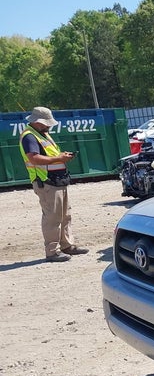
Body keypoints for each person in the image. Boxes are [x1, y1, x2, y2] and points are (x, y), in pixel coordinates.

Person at [18, 106, 88, 262]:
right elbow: (34, 158)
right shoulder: (30, 136)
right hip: (46, 182)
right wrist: (59, 159)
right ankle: (52, 251)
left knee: (65, 215)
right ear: (38, 122)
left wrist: (61, 157)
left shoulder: (42, 134)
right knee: (52, 217)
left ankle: (66, 246)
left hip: (57, 180)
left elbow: (49, 155)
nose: (49, 126)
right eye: (46, 123)